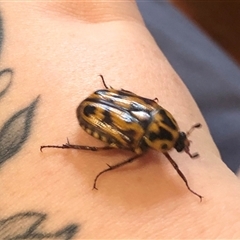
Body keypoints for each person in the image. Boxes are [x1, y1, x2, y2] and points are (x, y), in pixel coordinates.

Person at [1, 2, 240, 238]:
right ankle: (66, 148)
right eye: (182, 140)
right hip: (96, 110)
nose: (184, 143)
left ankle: (67, 147)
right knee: (103, 148)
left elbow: (143, 101)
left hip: (102, 103)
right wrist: (187, 189)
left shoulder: (157, 113)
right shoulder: (145, 141)